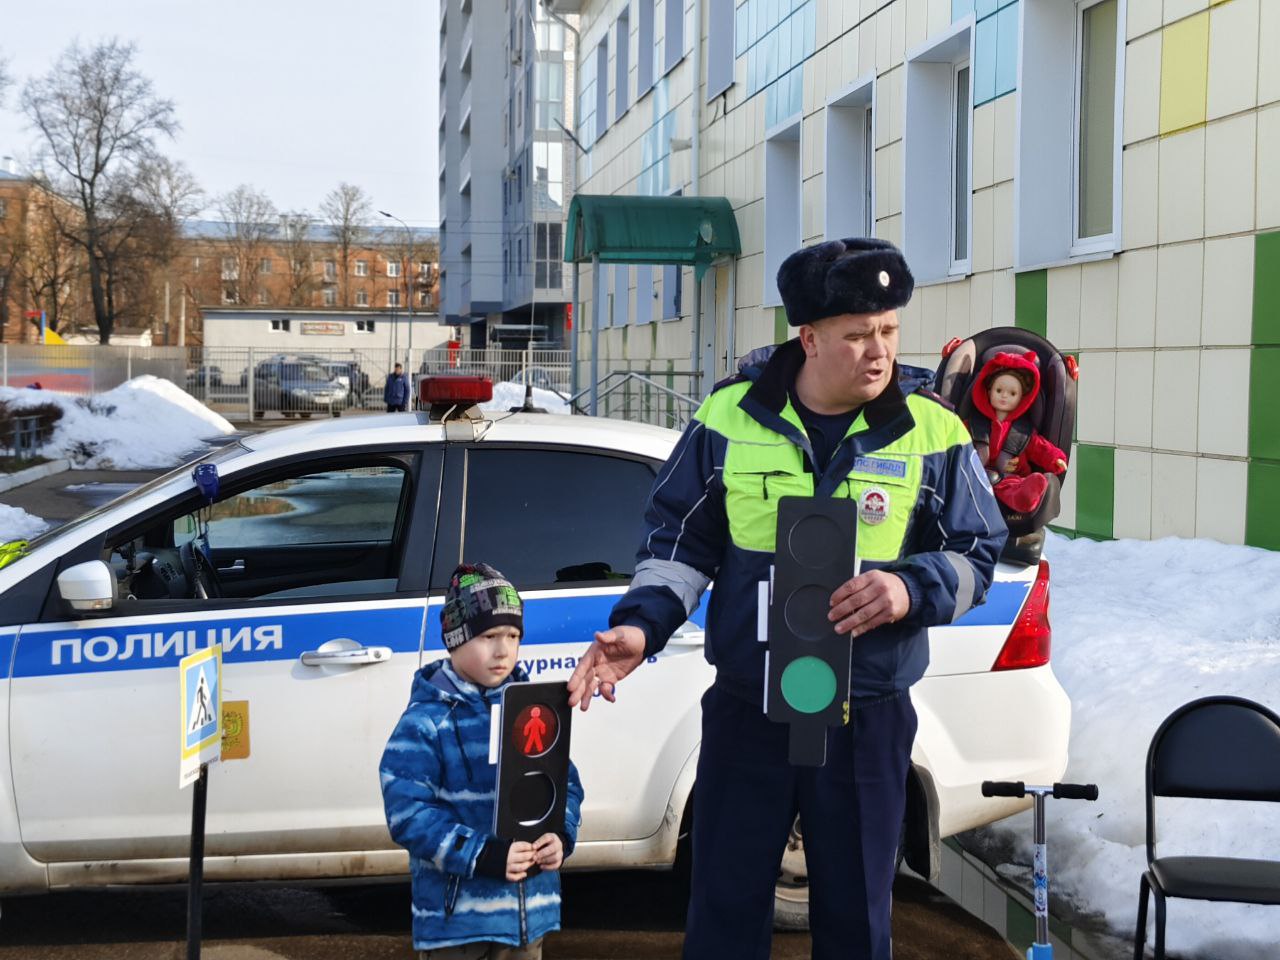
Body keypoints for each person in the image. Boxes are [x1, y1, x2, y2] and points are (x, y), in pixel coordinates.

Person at [567, 238, 1007, 960]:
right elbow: (677, 543)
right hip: (750, 712)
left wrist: (907, 586)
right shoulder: (728, 420)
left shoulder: (933, 432)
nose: (880, 351)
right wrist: (640, 629)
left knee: (858, 920)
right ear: (808, 337)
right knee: (725, 911)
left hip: (866, 717)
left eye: (890, 330)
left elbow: (977, 552)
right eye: (858, 334)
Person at [381, 563, 583, 960]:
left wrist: (561, 836)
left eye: (512, 635)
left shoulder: (532, 711)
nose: (503, 650)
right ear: (455, 640)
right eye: (489, 636)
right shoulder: (427, 720)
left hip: (528, 919)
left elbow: (565, 785)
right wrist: (482, 854)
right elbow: (407, 813)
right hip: (458, 927)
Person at [964, 350, 1068, 516]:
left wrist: (1055, 458)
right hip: (975, 475)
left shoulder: (1022, 431)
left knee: (1014, 487)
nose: (1004, 396)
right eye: (999, 390)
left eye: (1012, 393)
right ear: (989, 391)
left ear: (1022, 397)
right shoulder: (974, 423)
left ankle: (1025, 495)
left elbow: (1040, 447)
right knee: (961, 482)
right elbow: (954, 436)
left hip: (1009, 477)